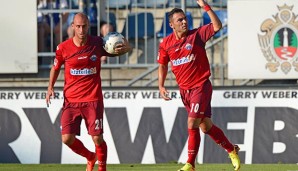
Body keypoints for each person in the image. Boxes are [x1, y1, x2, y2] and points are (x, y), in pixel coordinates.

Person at [157, 1, 241, 171]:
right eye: (179, 20)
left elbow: (217, 26)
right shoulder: (166, 44)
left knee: (192, 122)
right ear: (171, 24)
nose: (184, 22)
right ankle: (231, 149)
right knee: (205, 126)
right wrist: (161, 85)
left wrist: (206, 6)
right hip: (185, 91)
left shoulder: (196, 36)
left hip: (201, 86)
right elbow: (163, 65)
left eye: (185, 19)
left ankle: (190, 163)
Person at [46, 12, 131, 171]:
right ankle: (90, 157)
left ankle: (102, 168)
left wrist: (126, 46)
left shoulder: (98, 43)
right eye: (78, 26)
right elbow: (55, 67)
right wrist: (50, 87)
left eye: (84, 26)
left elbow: (122, 48)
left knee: (97, 138)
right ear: (72, 27)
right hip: (71, 101)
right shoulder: (63, 48)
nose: (81, 30)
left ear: (88, 26)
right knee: (66, 138)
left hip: (93, 99)